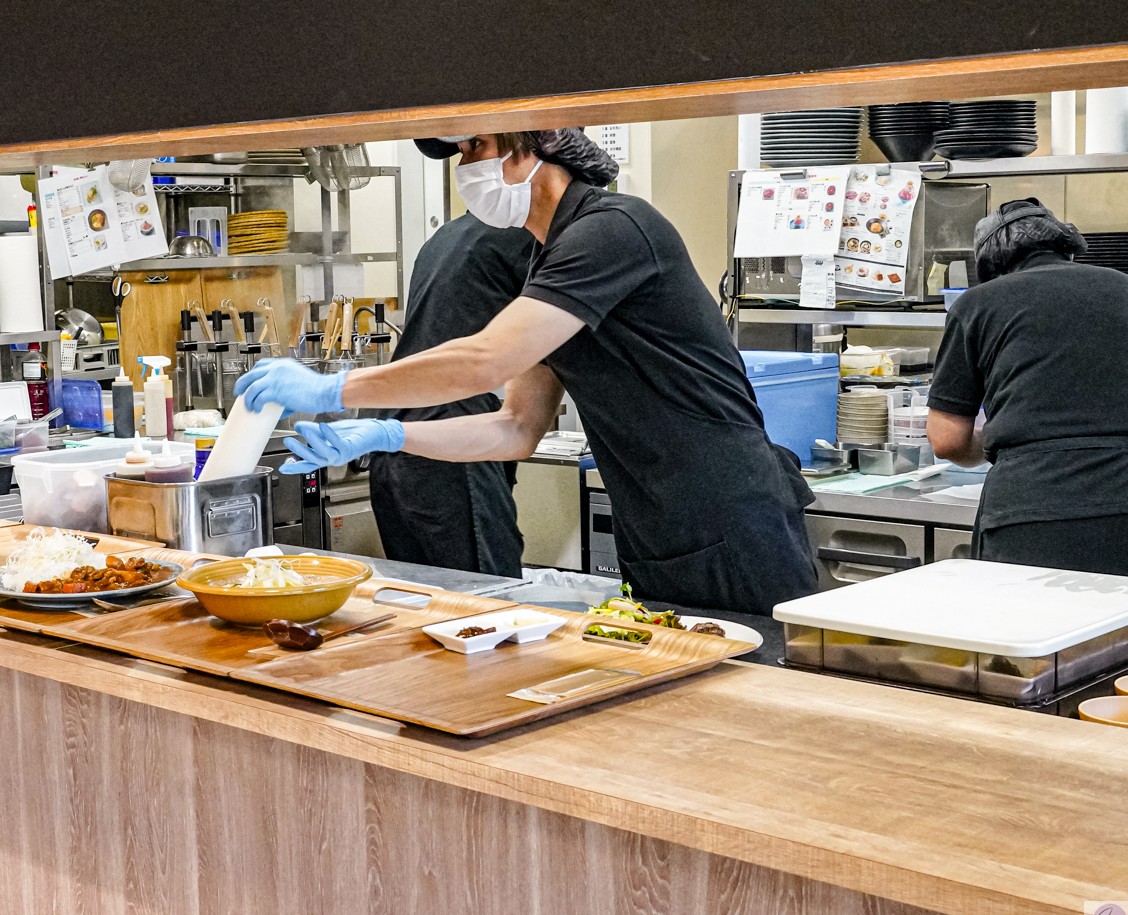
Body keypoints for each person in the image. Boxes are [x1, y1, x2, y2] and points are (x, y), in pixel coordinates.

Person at [236, 128, 820, 615]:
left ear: (534, 147)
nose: (466, 168)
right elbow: (516, 427)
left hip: (731, 519)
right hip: (656, 525)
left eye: (476, 148)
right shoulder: (548, 257)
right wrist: (391, 435)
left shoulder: (615, 228)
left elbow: (486, 359)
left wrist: (334, 388)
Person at [926, 199, 1128, 632]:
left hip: (1027, 509)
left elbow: (946, 440)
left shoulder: (975, 305)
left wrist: (1003, 429)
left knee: (1037, 658)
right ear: (1069, 249)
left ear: (992, 265)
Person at [369, 210, 536, 577]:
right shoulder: (527, 237)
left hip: (397, 434)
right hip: (452, 445)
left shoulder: (446, 235)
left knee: (423, 602)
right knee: (487, 600)